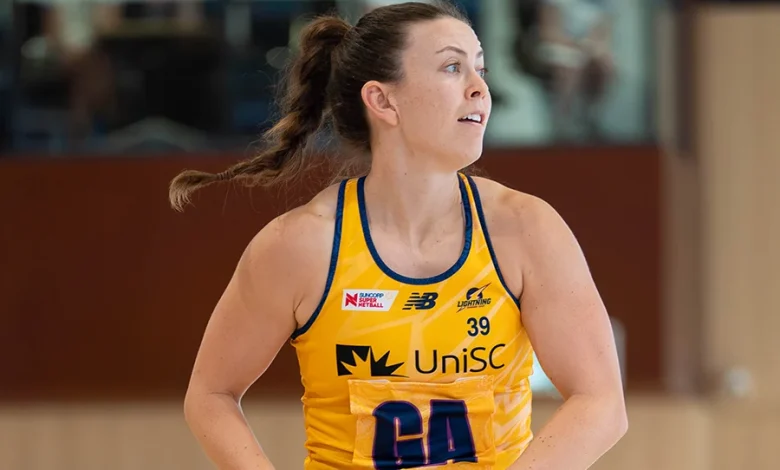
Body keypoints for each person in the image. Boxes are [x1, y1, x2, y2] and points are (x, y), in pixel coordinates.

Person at [170, 2, 627, 469]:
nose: (480, 88)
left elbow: (600, 402)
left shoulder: (527, 229)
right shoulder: (300, 244)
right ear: (383, 101)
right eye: (453, 67)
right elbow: (211, 395)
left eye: (481, 69)